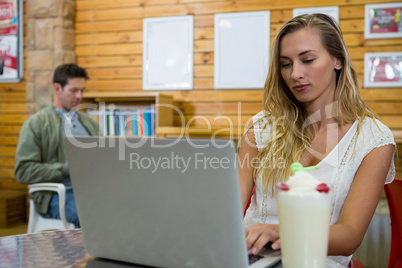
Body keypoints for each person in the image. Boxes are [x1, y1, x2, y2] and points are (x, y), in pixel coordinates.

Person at [238, 13, 396, 267]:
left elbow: (350, 236)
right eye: (286, 64)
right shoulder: (261, 127)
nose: (295, 74)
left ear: (338, 60)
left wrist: (282, 233)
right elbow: (229, 209)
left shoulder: (374, 139)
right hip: (249, 259)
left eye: (307, 60)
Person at [15, 63, 100, 228]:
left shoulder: (89, 123)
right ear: (57, 88)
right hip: (56, 195)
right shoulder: (36, 124)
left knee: (130, 208)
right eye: (73, 90)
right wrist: (67, 169)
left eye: (82, 90)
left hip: (92, 190)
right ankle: (93, 254)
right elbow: (23, 171)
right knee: (92, 215)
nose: (79, 96)